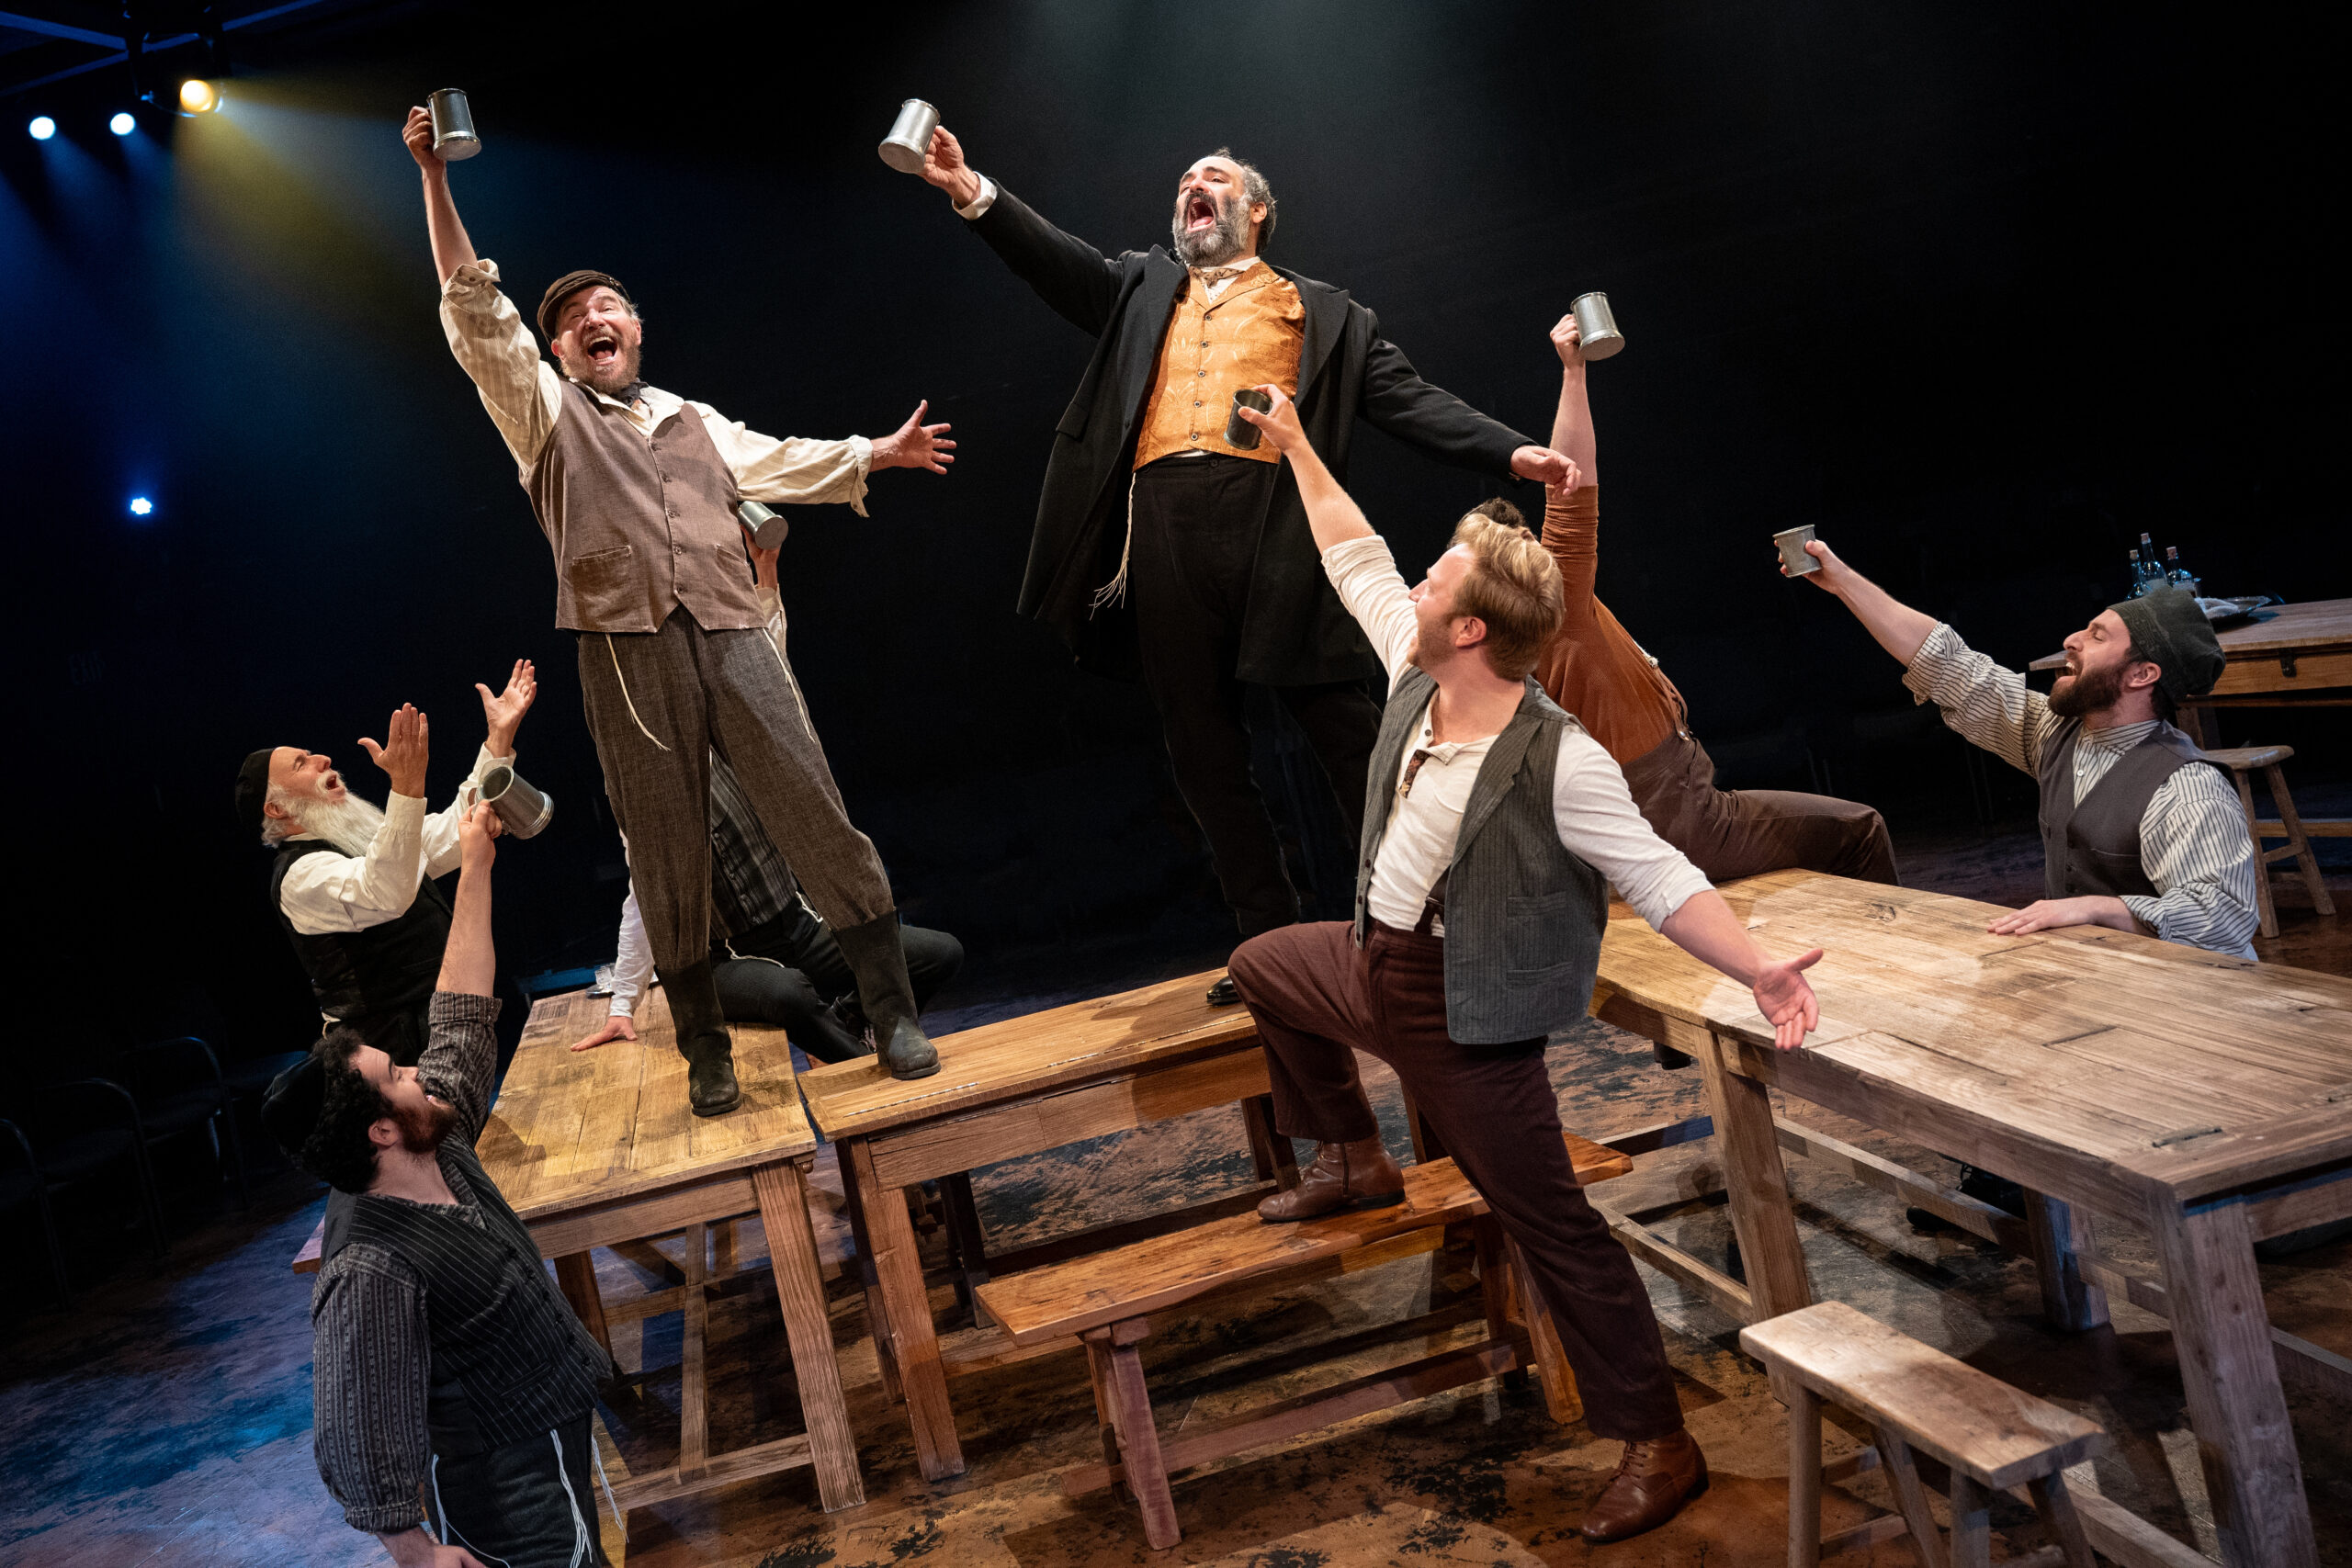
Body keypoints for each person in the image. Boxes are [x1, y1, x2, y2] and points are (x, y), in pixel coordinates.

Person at [1228, 387, 1825, 1543]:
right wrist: (1296, 445)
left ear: (1469, 631)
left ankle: (1659, 1439)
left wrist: (1754, 967)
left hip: (1467, 1019)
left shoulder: (1560, 759)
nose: (1414, 588)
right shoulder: (1415, 672)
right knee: (1262, 964)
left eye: (1435, 582)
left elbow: (1660, 876)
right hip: (1370, 966)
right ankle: (1353, 1153)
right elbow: (1353, 554)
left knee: (1553, 1226)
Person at [909, 128, 1571, 1003]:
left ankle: (1425, 922)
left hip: (1279, 526)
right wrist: (971, 188)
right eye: (1185, 178)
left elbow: (1409, 400)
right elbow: (1055, 262)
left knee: (1349, 732)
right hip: (1164, 531)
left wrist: (1512, 451)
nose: (1193, 184)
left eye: (1214, 177)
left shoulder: (1322, 311)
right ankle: (1270, 944)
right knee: (1203, 751)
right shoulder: (1142, 288)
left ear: (1255, 210)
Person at [403, 106, 956, 1106]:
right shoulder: (542, 411)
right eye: (574, 318)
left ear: (636, 328)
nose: (594, 319)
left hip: (733, 627)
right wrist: (436, 179)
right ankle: (703, 1041)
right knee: (662, 841)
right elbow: (475, 312)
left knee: (815, 808)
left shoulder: (691, 418)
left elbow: (779, 459)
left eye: (609, 307)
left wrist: (879, 452)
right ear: (558, 349)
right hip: (625, 648)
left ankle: (892, 1012)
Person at [263, 804, 613, 1568]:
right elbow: (354, 1421)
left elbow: (459, 1014)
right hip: (502, 1486)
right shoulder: (370, 1263)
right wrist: (415, 1551)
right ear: (379, 1132)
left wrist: (477, 866)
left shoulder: (434, 1136)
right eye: (397, 1075)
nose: (418, 1070)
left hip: (551, 1438)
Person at [1530, 314, 1897, 884]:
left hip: (1655, 811)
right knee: (1861, 830)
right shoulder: (1552, 611)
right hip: (1680, 821)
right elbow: (1569, 492)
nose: (1537, 543)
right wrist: (1574, 375)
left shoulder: (1501, 637)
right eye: (1522, 543)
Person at [1791, 538, 2256, 956]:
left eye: (2097, 636)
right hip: (2096, 974)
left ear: (2142, 675)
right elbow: (1951, 667)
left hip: (2183, 996)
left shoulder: (2187, 789)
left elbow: (2223, 918)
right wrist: (1843, 582)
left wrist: (2097, 907)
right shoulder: (2055, 733)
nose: (2071, 640)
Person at [572, 749, 965, 1065]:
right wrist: (623, 1006)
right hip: (724, 961)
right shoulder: (643, 798)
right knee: (789, 992)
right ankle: (864, 1068)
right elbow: (643, 903)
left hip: (801, 930)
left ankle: (848, 1017)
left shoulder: (737, 754)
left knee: (940, 953)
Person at [234, 661, 537, 1066]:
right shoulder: (299, 876)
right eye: (301, 764)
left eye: (310, 754)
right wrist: (407, 786)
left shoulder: (362, 841)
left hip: (438, 1028)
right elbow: (385, 891)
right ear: (276, 808)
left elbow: (454, 830)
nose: (323, 759)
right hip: (389, 1057)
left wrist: (499, 737)